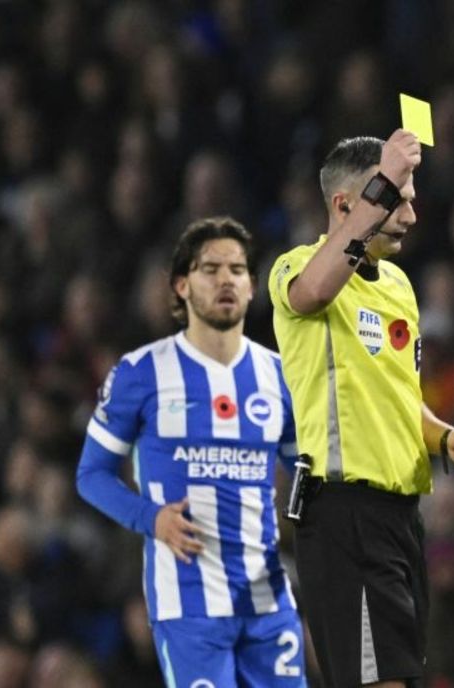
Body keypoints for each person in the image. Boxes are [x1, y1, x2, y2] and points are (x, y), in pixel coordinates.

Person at [267, 130, 454, 688]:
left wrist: (444, 437)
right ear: (346, 205)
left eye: (409, 198)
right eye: (398, 199)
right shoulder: (296, 269)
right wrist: (384, 178)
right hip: (344, 515)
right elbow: (315, 291)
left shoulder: (397, 285)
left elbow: (399, 401)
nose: (410, 216)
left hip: (401, 520)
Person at [76, 217, 306, 687]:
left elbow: (305, 472)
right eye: (211, 269)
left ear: (252, 287)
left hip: (268, 599)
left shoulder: (280, 376)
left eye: (238, 270)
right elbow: (91, 475)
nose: (226, 279)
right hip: (187, 604)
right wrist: (152, 519)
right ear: (181, 285)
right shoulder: (141, 372)